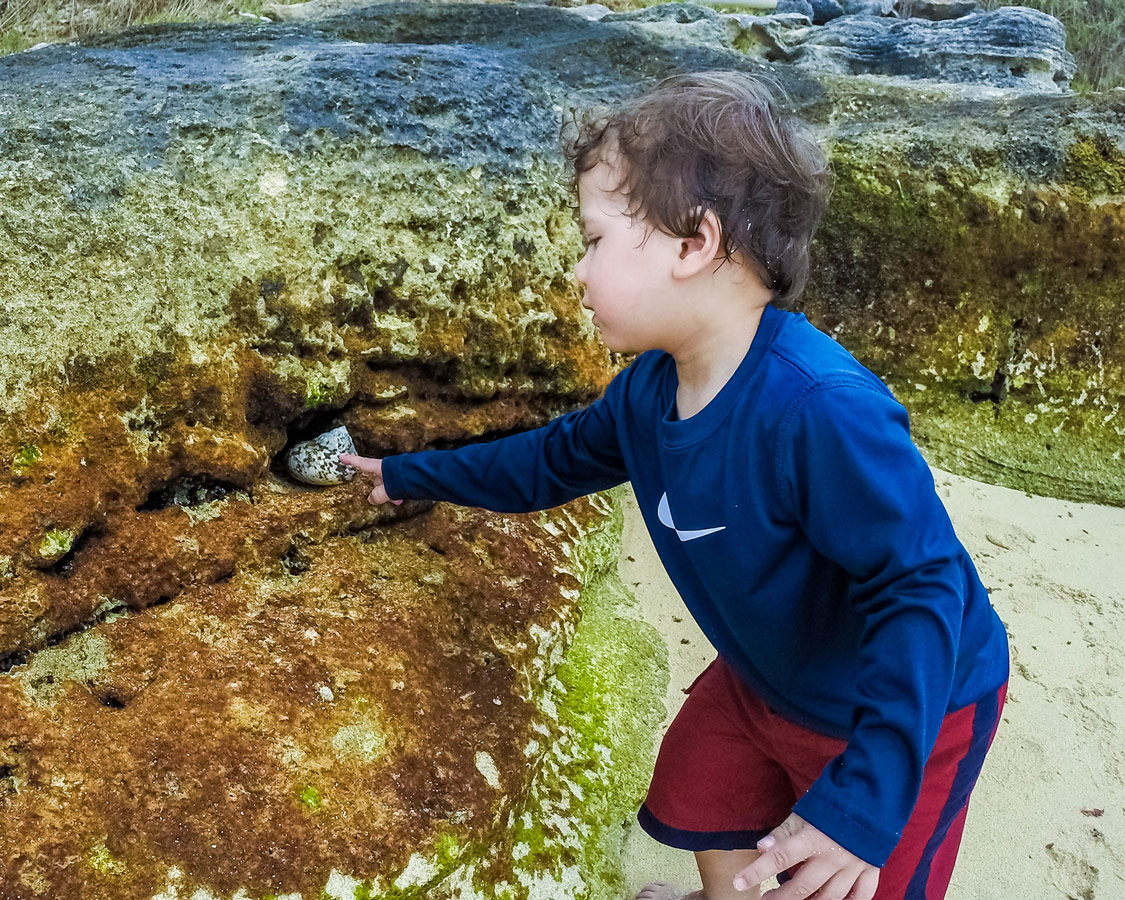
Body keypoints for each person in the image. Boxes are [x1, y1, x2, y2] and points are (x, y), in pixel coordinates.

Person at [340, 71, 1010, 900]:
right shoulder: (648, 392)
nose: (577, 274)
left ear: (693, 244)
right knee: (703, 783)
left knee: (855, 873)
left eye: (592, 241)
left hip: (913, 704)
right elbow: (546, 462)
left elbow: (919, 586)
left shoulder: (820, 411)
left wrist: (865, 801)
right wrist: (408, 474)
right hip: (766, 675)